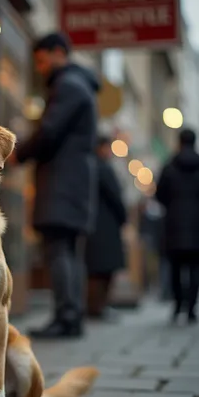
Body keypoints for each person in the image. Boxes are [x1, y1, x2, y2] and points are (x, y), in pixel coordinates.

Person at [10, 32, 100, 338]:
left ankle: (66, 318)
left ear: (59, 52)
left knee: (59, 249)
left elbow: (49, 132)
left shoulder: (68, 86)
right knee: (69, 251)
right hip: (74, 180)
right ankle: (71, 316)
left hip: (63, 181)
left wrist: (17, 153)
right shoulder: (79, 85)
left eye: (42, 59)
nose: (40, 67)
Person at [156, 128, 199, 324]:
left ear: (180, 142)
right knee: (195, 269)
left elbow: (159, 195)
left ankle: (177, 306)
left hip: (174, 224)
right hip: (197, 225)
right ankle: (191, 308)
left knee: (175, 267)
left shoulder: (169, 166)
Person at [85, 135, 126, 322]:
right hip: (106, 226)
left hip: (93, 224)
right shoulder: (103, 168)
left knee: (96, 269)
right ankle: (98, 307)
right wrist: (123, 218)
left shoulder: (88, 167)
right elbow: (116, 197)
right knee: (103, 270)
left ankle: (96, 306)